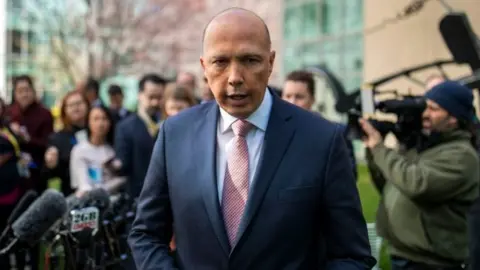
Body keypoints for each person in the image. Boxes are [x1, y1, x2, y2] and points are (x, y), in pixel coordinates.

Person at [129, 7, 375, 270]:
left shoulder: (323, 140)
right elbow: (146, 234)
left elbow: (352, 256)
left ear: (270, 63)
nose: (235, 78)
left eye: (250, 60)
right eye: (220, 62)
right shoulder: (174, 135)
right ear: (204, 67)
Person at [359, 81, 479, 270]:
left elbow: (416, 184)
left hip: (432, 263)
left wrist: (379, 148)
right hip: (404, 254)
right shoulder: (423, 147)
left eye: (434, 109)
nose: (425, 114)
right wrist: (373, 151)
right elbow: (391, 182)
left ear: (453, 118)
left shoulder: (462, 155)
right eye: (425, 107)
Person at [282, 70, 358, 179]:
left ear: (312, 99)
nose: (292, 102)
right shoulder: (271, 132)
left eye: (299, 97)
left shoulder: (335, 133)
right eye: (288, 96)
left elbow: (349, 176)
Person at [70, 105, 125, 197]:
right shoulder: (79, 150)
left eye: (104, 119)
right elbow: (83, 185)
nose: (100, 123)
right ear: (88, 122)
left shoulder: (113, 149)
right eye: (96, 119)